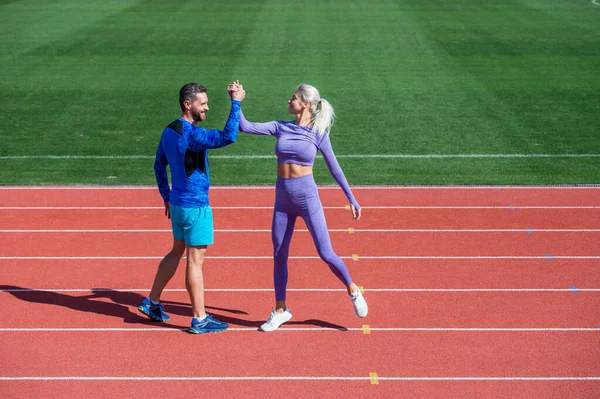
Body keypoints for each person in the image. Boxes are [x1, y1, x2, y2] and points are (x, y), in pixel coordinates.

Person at [232, 81, 368, 332]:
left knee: (325, 253)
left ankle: (352, 288)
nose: (288, 101)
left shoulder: (318, 133)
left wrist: (351, 197)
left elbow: (333, 166)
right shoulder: (280, 126)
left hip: (307, 199)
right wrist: (236, 101)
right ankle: (281, 310)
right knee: (279, 255)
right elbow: (245, 126)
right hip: (282, 200)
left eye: (293, 98)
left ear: (305, 104)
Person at [138, 81, 245, 334]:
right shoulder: (193, 135)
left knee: (176, 251)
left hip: (177, 204)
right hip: (196, 207)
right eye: (203, 104)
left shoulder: (168, 131)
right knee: (195, 261)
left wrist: (166, 196)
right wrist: (236, 102)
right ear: (188, 105)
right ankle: (199, 318)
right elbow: (229, 136)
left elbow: (158, 165)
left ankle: (152, 302)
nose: (207, 108)